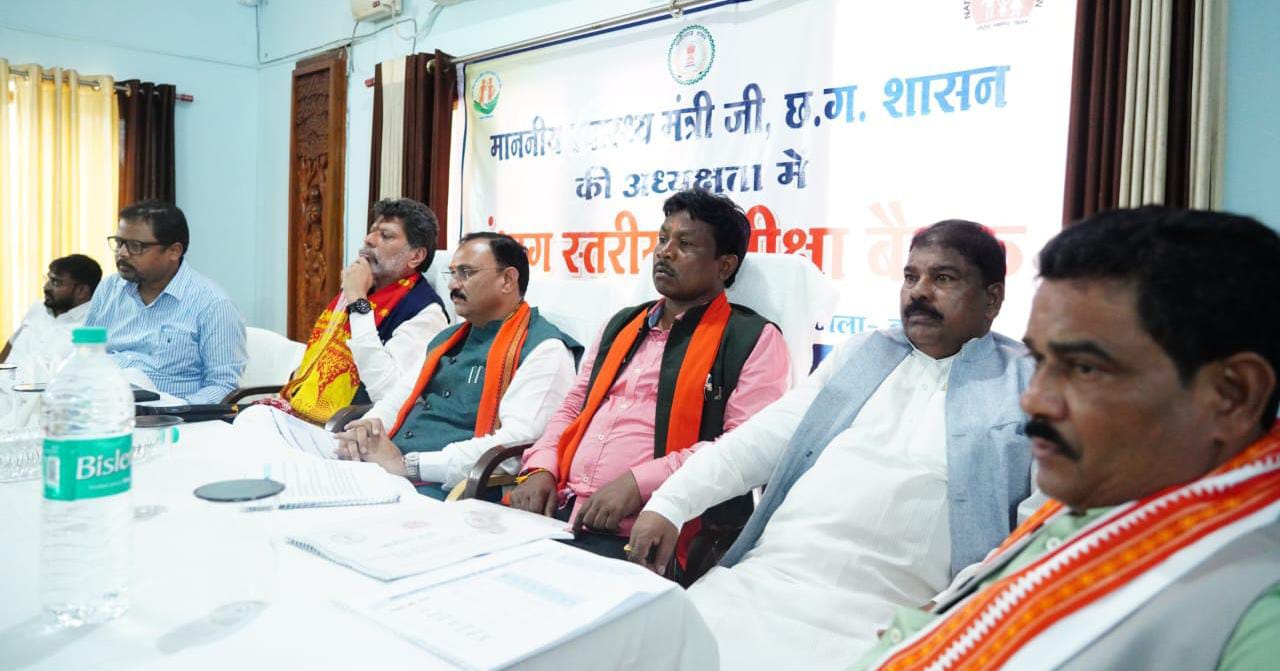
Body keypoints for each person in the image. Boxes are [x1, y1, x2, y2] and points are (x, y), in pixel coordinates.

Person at [855, 207, 1280, 671]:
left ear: (1233, 396)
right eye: (1040, 361)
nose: (1034, 400)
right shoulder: (1102, 497)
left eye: (1085, 368)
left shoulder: (1259, 612)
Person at [626, 220, 1036, 668]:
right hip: (764, 583)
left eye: (943, 278)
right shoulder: (864, 353)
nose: (918, 292)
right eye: (910, 276)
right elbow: (759, 440)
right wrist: (670, 502)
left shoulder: (1028, 385)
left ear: (992, 298)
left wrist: (955, 607)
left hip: (893, 616)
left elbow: (1040, 535)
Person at [507, 189, 791, 562]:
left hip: (645, 530)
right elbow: (575, 405)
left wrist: (638, 484)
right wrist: (541, 466)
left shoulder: (752, 338)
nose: (664, 252)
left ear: (724, 266)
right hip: (557, 509)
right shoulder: (623, 323)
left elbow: (741, 448)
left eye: (685, 244)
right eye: (662, 239)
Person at [335, 232, 581, 499]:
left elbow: (516, 445)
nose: (453, 284)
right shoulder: (447, 338)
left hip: (444, 489)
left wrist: (409, 465)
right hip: (385, 472)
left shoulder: (545, 349)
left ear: (508, 280)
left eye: (466, 273)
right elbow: (397, 399)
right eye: (452, 273)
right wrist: (365, 431)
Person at [267, 198, 449, 423]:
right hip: (298, 411)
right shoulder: (362, 288)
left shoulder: (426, 313)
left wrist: (358, 303)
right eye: (372, 231)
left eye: (386, 235)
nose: (369, 240)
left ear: (416, 256)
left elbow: (389, 392)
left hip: (347, 429)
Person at [84, 200, 247, 403]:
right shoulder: (109, 289)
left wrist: (177, 410)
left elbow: (223, 386)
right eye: (119, 243)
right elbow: (86, 355)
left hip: (171, 416)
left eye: (136, 246)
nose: (122, 253)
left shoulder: (213, 305)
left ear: (174, 251)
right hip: (104, 406)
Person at [2, 254, 102, 373]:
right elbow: (11, 345)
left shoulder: (92, 327)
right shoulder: (38, 308)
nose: (46, 287)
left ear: (82, 291)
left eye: (55, 282)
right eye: (48, 279)